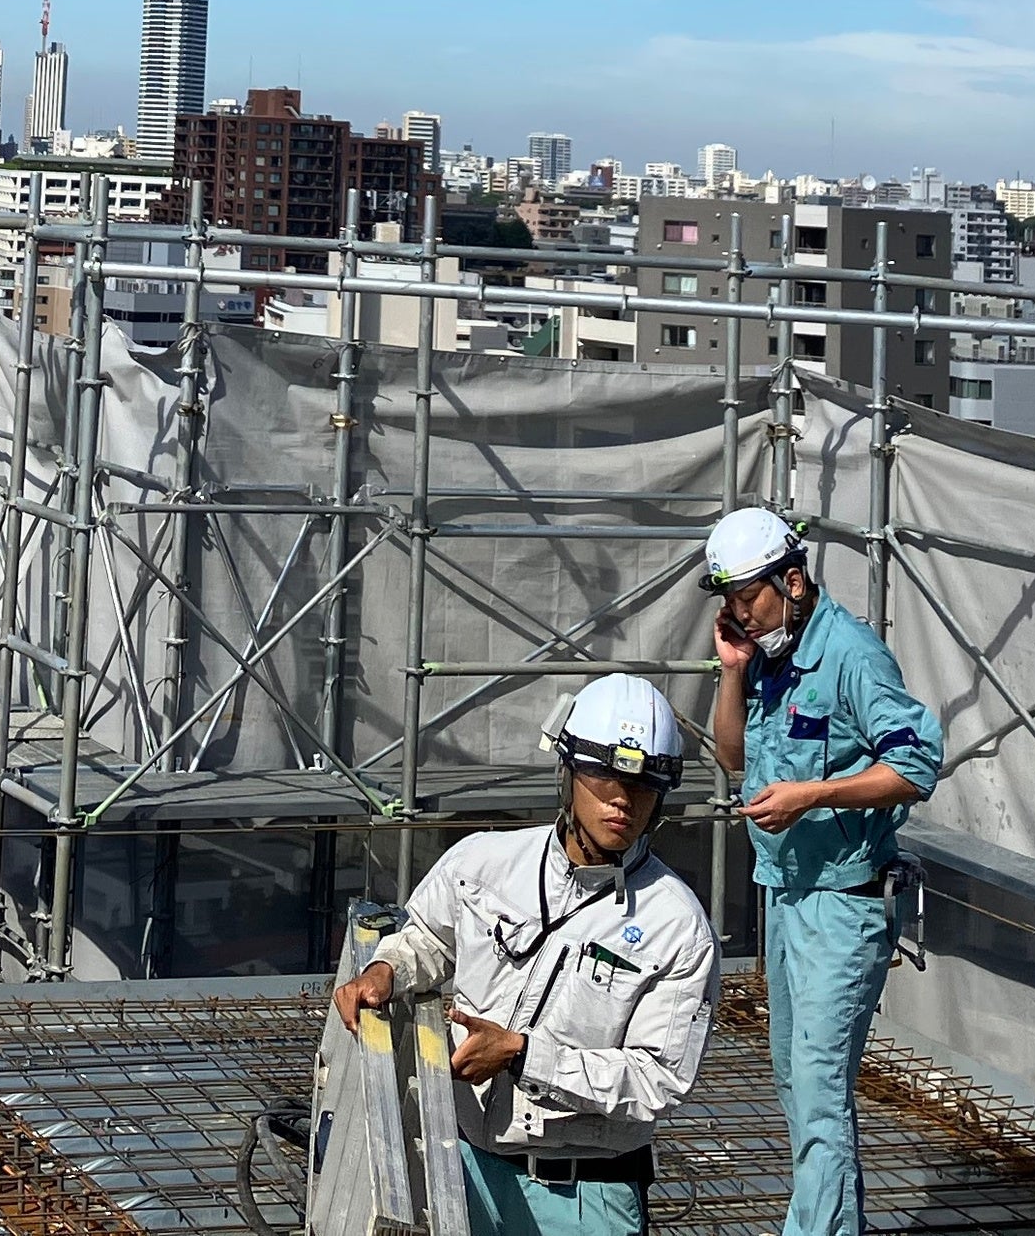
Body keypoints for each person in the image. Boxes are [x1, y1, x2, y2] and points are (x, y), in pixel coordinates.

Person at [329, 674, 716, 1236]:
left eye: (645, 784)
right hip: (462, 1170)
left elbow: (659, 1079)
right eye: (604, 774)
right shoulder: (483, 863)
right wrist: (388, 969)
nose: (622, 798)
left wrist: (522, 1055)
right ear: (567, 770)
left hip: (585, 1199)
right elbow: (430, 938)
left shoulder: (677, 926)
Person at [705, 507, 945, 1236]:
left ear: (792, 580)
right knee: (797, 1080)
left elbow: (916, 766)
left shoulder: (851, 655)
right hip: (786, 896)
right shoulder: (769, 657)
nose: (738, 612)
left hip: (845, 904)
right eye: (729, 599)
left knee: (817, 1086)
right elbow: (732, 756)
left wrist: (812, 795)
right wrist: (732, 672)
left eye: (747, 595)